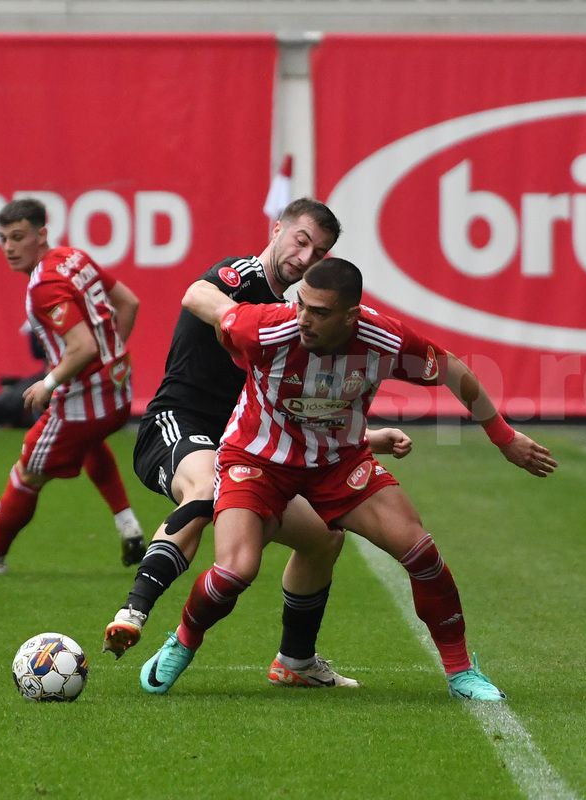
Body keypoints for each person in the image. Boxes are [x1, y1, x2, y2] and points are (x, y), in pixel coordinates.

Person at [139, 257, 557, 701]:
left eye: (319, 313)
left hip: (337, 461)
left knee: (421, 553)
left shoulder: (386, 339)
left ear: (351, 316)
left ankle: (460, 672)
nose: (304, 319)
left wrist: (503, 437)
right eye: (302, 305)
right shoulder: (266, 326)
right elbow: (211, 307)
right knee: (234, 570)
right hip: (257, 459)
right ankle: (183, 640)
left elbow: (453, 369)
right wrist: (214, 292)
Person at [106, 197, 410, 690]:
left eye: (320, 251)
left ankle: (295, 662)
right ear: (276, 230)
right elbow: (194, 294)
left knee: (324, 537)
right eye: (301, 240)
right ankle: (134, 610)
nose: (307, 256)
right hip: (179, 425)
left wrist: (365, 437)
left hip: (248, 449)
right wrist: (242, 324)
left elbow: (292, 408)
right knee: (206, 489)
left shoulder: (301, 314)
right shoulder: (242, 277)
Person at [0, 198, 145, 575]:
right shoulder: (74, 256)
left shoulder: (44, 285)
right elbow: (129, 302)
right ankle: (129, 527)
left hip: (81, 402)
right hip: (118, 394)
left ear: (41, 234)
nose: (9, 248)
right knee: (90, 445)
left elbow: (83, 347)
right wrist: (111, 358)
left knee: (27, 471)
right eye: (3, 238)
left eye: (18, 237)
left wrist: (48, 382)